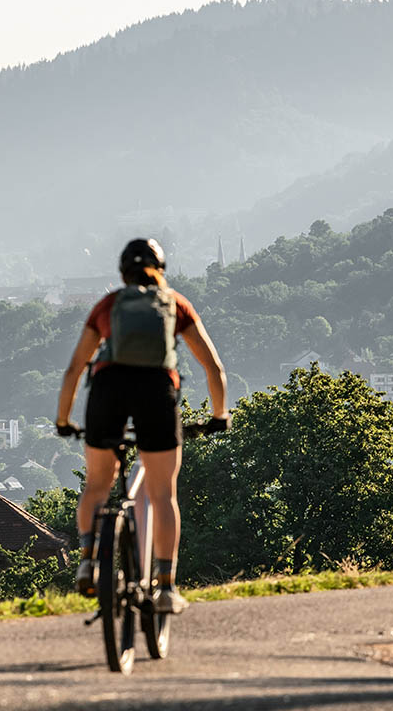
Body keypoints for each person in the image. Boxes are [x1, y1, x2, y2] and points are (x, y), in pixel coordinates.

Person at [55, 238, 229, 614]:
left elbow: (74, 369)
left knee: (97, 485)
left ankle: (87, 561)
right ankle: (166, 586)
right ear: (161, 270)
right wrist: (219, 415)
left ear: (122, 274)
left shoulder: (108, 305)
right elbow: (213, 367)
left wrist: (64, 420)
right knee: (163, 493)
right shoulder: (175, 304)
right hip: (156, 391)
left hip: (108, 391)